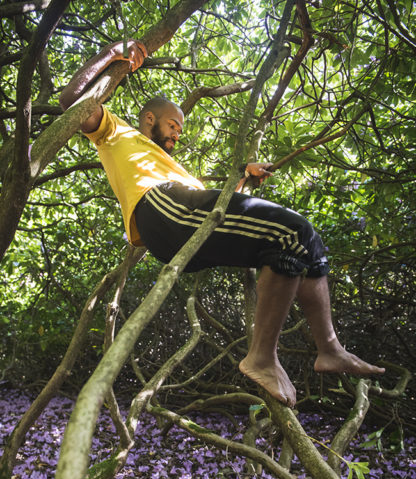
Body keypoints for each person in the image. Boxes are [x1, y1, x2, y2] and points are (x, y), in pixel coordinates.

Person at [60, 39, 384, 408]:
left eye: (180, 128)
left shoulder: (172, 166)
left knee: (299, 241)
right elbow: (71, 102)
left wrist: (242, 179)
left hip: (186, 223)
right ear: (149, 119)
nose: (178, 133)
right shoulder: (117, 131)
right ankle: (262, 358)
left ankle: (329, 348)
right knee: (291, 229)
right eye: (173, 124)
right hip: (160, 208)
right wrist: (114, 52)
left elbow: (215, 213)